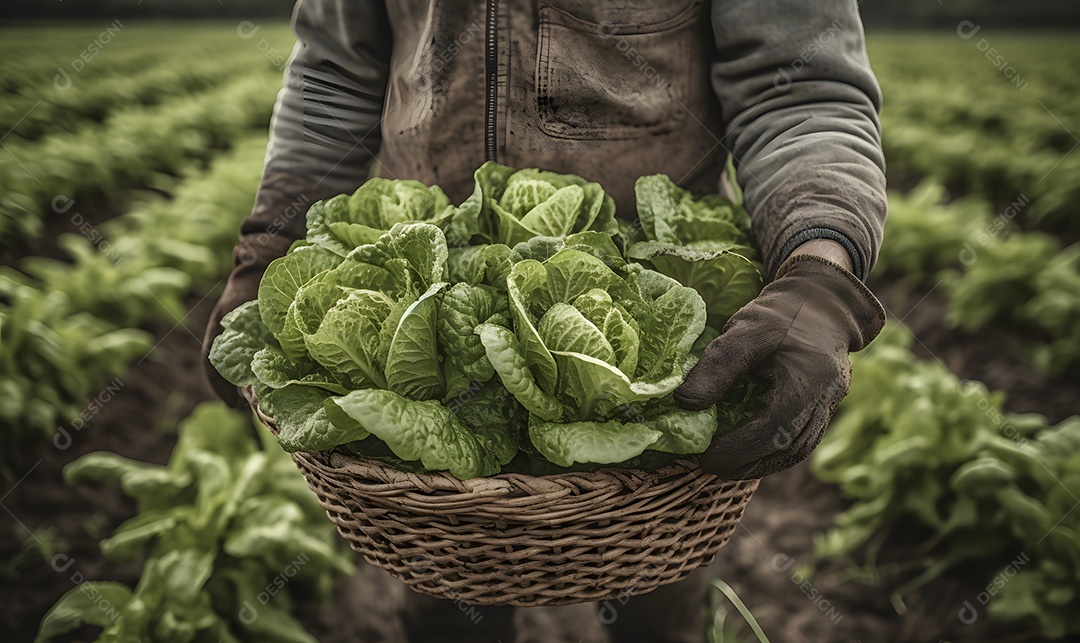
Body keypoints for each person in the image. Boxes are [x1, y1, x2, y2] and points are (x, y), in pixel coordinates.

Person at [202, 1, 887, 641]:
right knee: (448, 604)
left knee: (659, 604)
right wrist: (269, 241)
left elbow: (796, 86)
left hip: (661, 332)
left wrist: (820, 269)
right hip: (428, 349)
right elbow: (334, 76)